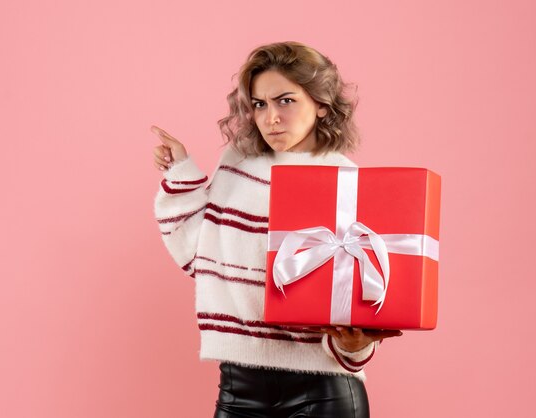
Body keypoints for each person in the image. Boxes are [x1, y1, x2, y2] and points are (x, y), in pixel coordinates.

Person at [151, 41, 402, 418]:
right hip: (239, 388)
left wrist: (354, 346)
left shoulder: (348, 183)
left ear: (321, 103)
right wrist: (181, 172)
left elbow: (365, 295)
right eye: (259, 104)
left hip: (326, 391)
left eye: (286, 101)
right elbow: (200, 259)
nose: (270, 118)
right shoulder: (237, 165)